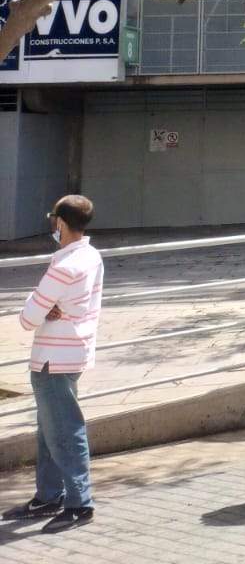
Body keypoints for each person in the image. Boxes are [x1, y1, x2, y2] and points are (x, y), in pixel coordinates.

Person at [6, 195, 104, 532]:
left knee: (63, 430)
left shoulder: (63, 266)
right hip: (72, 352)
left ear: (60, 223)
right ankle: (49, 496)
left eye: (53, 219)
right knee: (51, 429)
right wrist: (52, 308)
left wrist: (46, 308)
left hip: (53, 358)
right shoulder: (90, 256)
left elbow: (26, 317)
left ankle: (79, 502)